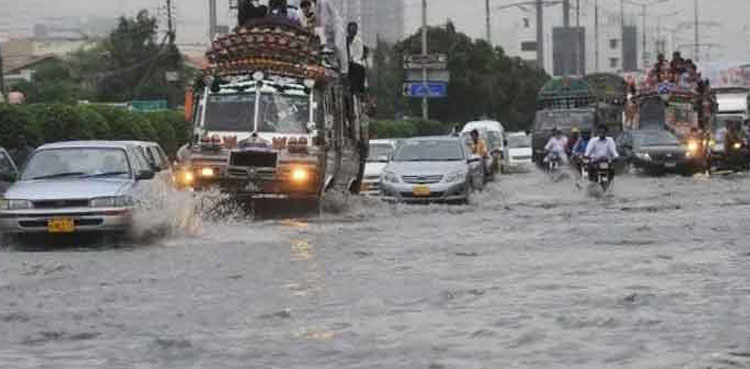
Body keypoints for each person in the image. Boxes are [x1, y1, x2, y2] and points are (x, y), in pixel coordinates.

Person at [347, 22, 366, 94]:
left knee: (359, 68)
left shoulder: (358, 41)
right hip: (345, 62)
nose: (353, 31)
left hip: (355, 62)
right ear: (348, 30)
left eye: (354, 30)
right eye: (351, 29)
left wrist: (352, 60)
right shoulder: (344, 40)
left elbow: (359, 54)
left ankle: (358, 90)